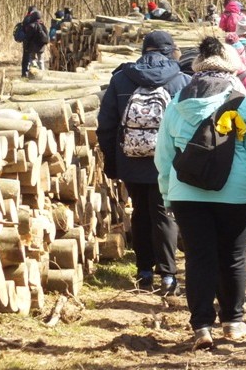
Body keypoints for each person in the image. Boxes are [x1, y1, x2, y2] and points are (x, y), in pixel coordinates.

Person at [154, 38, 246, 350]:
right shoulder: (244, 102)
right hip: (235, 192)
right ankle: (233, 321)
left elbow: (163, 154)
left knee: (199, 258)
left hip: (186, 192)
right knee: (233, 257)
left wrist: (167, 192)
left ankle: (201, 326)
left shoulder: (177, 102)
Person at [97, 30, 190, 294]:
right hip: (169, 160)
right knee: (164, 213)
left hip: (131, 158)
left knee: (139, 211)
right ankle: (168, 276)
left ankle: (144, 272)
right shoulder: (182, 80)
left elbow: (106, 125)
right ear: (170, 50)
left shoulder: (121, 79)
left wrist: (112, 162)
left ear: (144, 49)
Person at [20, 7, 50, 77]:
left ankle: (33, 74)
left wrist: (26, 45)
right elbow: (47, 36)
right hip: (41, 47)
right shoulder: (42, 25)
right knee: (41, 61)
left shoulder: (31, 26)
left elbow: (28, 37)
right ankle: (42, 74)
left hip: (32, 47)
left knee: (32, 60)